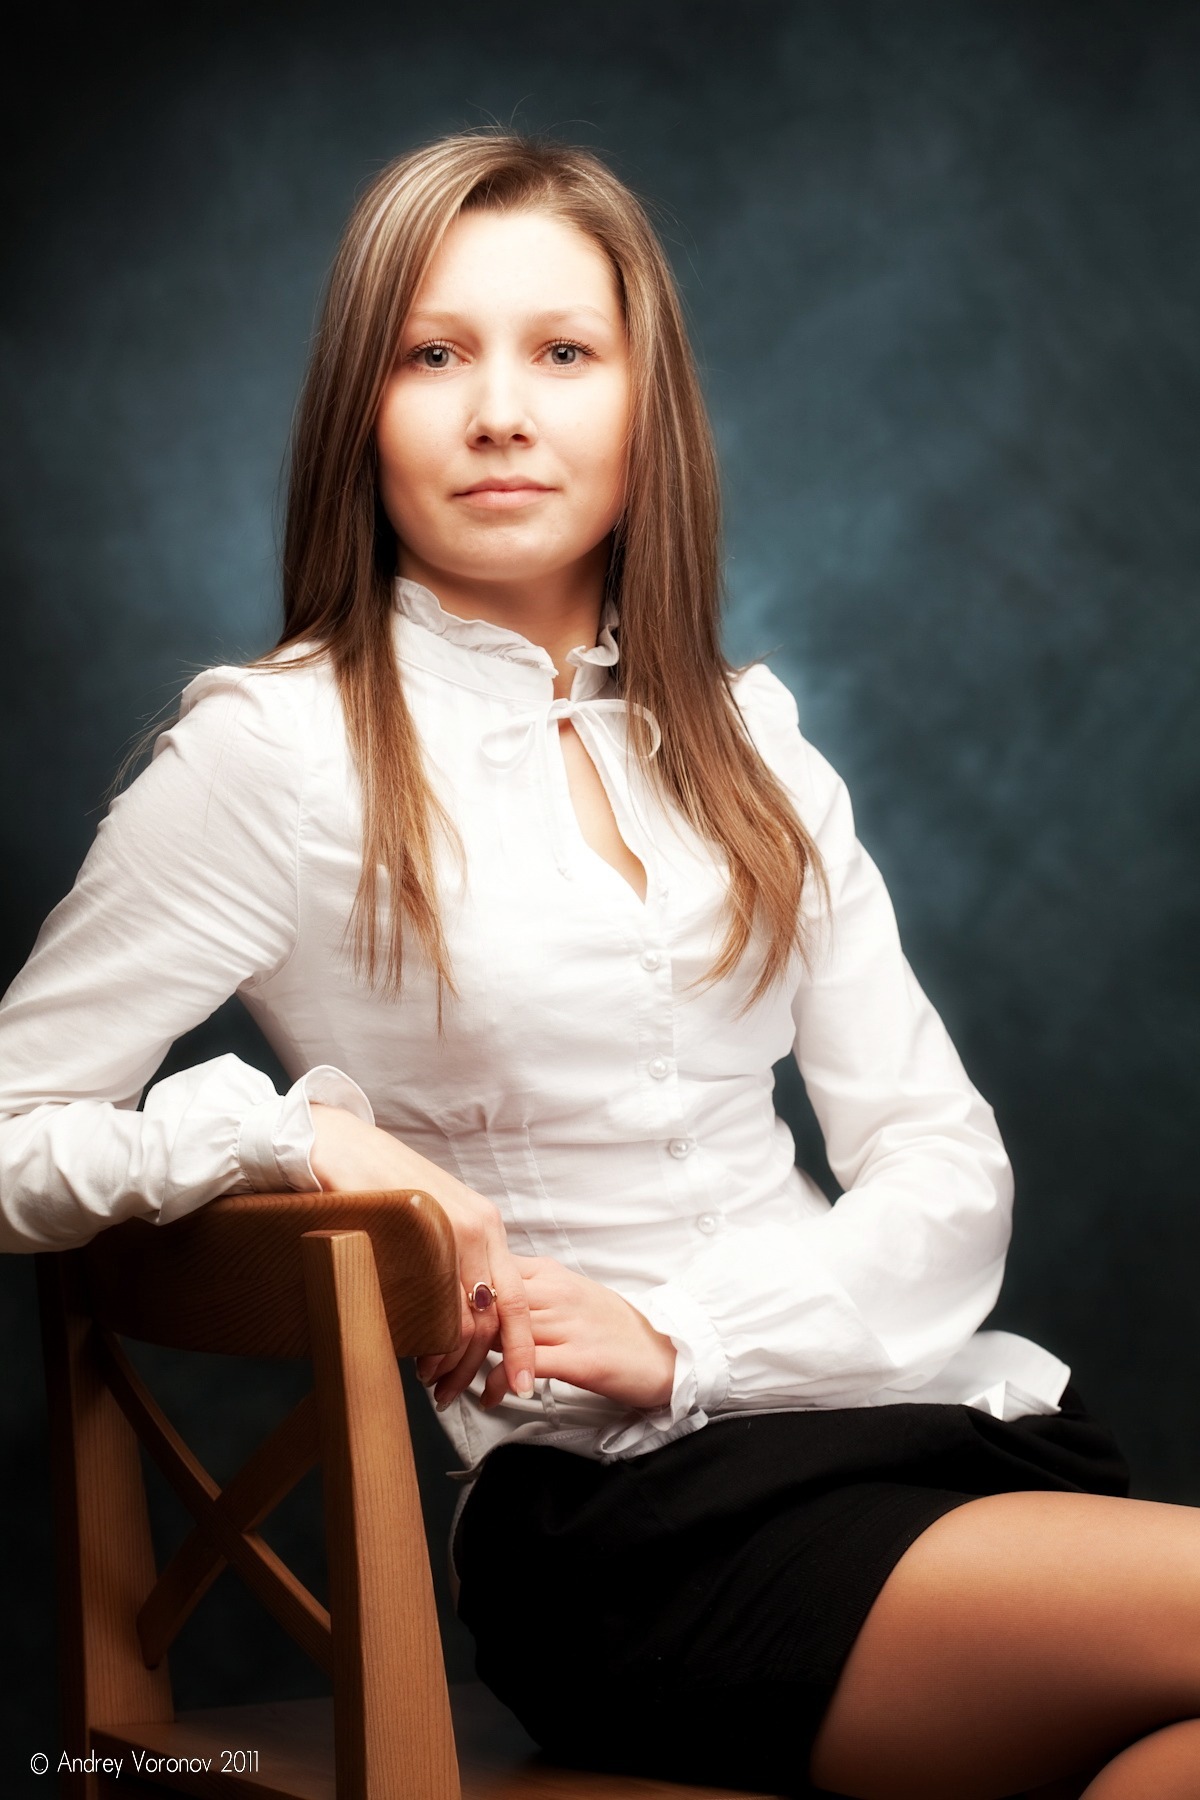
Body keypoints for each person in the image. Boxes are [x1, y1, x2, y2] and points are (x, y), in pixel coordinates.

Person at [1, 127, 1196, 1800]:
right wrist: (292, 1136)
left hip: (908, 1431)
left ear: (649, 407)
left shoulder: (753, 742)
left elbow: (944, 1164)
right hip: (624, 1528)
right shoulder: (271, 755)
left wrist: (686, 1333)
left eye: (564, 352)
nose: (501, 410)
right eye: (433, 355)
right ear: (360, 410)